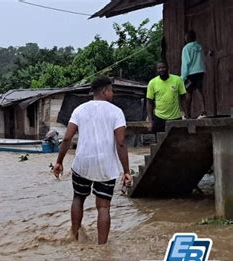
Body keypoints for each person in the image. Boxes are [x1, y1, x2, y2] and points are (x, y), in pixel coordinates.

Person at [53, 76, 132, 245]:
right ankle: (102, 248)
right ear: (105, 91)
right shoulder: (116, 112)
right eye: (111, 90)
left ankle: (74, 236)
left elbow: (67, 138)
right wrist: (126, 171)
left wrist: (59, 161)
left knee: (78, 198)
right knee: (103, 207)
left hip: (82, 163)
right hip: (106, 166)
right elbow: (120, 143)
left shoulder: (79, 110)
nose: (113, 93)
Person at [146, 62, 187, 134]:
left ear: (168, 68)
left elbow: (183, 98)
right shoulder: (152, 83)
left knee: (177, 140)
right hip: (159, 117)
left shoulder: (177, 80)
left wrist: (186, 115)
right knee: (160, 142)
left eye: (163, 67)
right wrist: (150, 120)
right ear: (157, 70)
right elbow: (149, 102)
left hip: (175, 117)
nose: (161, 70)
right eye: (159, 68)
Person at [181, 30, 207, 119]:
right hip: (200, 71)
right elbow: (203, 58)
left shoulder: (186, 48)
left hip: (191, 73)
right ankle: (203, 111)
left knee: (188, 92)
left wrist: (183, 77)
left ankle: (187, 114)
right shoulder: (199, 47)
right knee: (199, 90)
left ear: (187, 38)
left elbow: (186, 63)